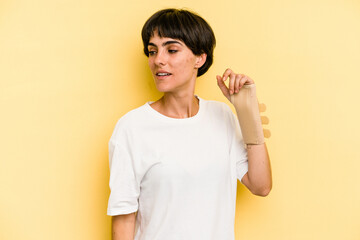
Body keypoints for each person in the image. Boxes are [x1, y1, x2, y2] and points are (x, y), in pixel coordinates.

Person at [107, 8, 272, 240]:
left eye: (171, 50)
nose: (158, 60)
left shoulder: (222, 115)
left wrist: (248, 116)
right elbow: (123, 220)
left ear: (199, 58)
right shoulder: (132, 127)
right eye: (152, 51)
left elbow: (261, 186)